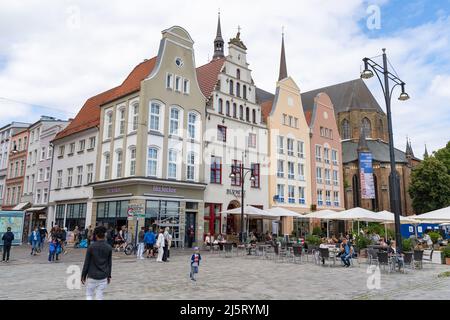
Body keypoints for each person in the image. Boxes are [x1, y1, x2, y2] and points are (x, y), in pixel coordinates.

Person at [81, 226, 112, 300]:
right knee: (99, 295)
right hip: (103, 276)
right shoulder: (109, 247)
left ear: (96, 235)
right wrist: (109, 275)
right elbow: (109, 263)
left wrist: (83, 275)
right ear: (105, 235)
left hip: (92, 275)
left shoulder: (91, 247)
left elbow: (87, 263)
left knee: (89, 294)